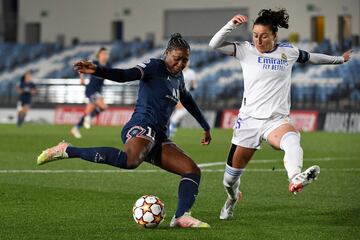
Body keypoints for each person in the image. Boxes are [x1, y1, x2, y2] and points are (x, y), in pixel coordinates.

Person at [37, 33, 212, 228]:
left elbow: (187, 99)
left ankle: (181, 216)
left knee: (191, 170)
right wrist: (97, 71)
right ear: (167, 53)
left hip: (159, 135)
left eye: (185, 60)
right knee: (130, 161)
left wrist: (205, 125)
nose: (180, 63)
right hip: (142, 125)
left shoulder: (178, 77)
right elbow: (125, 75)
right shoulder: (155, 66)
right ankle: (67, 150)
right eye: (177, 58)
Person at [209, 9, 352, 220]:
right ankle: (232, 199)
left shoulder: (288, 52)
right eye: (255, 35)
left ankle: (295, 178)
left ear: (274, 36)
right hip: (248, 122)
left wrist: (339, 60)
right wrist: (231, 24)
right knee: (229, 180)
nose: (258, 40)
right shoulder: (245, 50)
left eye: (264, 35)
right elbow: (214, 45)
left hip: (275, 120)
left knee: (292, 138)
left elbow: (312, 58)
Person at [71, 47, 110, 138]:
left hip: (98, 91)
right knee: (104, 106)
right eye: (103, 54)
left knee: (89, 111)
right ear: (99, 55)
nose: (105, 56)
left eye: (106, 54)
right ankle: (88, 118)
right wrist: (81, 79)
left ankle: (76, 128)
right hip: (91, 89)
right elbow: (80, 65)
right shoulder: (94, 63)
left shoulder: (108, 65)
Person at [169, 61, 198, 137]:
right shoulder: (177, 71)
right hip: (175, 93)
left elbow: (194, 84)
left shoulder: (191, 72)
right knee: (174, 114)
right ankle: (171, 129)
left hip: (185, 95)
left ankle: (171, 129)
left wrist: (193, 87)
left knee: (179, 113)